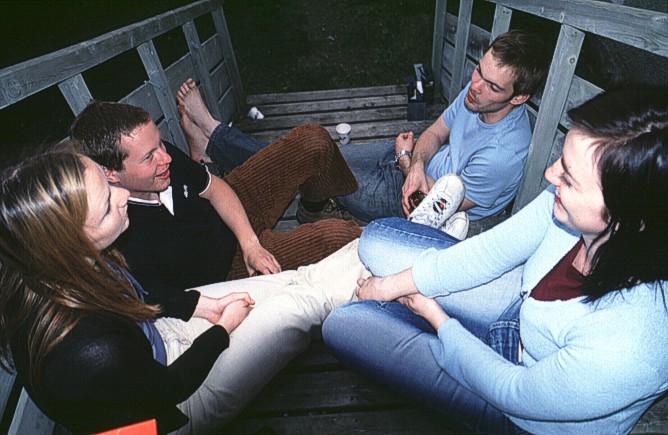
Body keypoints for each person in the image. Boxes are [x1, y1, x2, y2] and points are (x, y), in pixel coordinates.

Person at [322, 86, 668, 433]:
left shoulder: (630, 344)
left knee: (343, 326)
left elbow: (511, 390)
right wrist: (390, 286)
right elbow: (492, 250)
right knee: (375, 240)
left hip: (520, 409)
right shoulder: (576, 208)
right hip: (521, 307)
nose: (550, 176)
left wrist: (437, 318)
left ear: (627, 217)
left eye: (569, 178)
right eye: (562, 161)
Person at [0, 148, 370, 434]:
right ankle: (406, 273)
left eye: (109, 182)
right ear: (69, 242)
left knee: (297, 279)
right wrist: (222, 328)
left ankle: (383, 246)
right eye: (107, 206)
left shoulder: (55, 262)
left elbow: (140, 295)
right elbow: (169, 387)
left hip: (152, 337)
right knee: (304, 304)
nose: (123, 194)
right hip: (173, 406)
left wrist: (202, 306)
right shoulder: (89, 350)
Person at [69, 100, 362, 321]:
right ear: (110, 173)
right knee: (339, 236)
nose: (165, 157)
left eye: (160, 143)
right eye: (149, 157)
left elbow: (215, 188)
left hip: (232, 211)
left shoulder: (162, 159)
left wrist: (250, 243)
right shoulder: (116, 236)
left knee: (313, 140)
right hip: (227, 268)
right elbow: (176, 304)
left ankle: (311, 210)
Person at [326, 29, 550, 228]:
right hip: (417, 164)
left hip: (416, 203)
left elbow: (440, 205)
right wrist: (416, 164)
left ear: (519, 97)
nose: (476, 85)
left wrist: (406, 162)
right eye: (479, 70)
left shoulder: (502, 156)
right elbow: (436, 132)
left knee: (327, 175)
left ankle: (317, 209)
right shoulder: (478, 95)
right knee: (330, 154)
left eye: (493, 86)